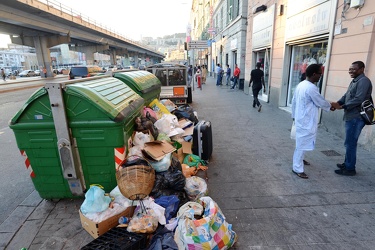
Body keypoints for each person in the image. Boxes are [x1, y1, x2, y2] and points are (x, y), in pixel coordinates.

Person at [330, 61, 373, 176]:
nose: (351, 71)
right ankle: (347, 163)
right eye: (350, 69)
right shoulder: (355, 80)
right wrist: (338, 103)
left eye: (353, 69)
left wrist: (343, 106)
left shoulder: (364, 81)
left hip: (356, 117)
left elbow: (359, 99)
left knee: (350, 143)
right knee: (349, 142)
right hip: (351, 116)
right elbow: (346, 95)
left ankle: (350, 168)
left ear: (362, 69)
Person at [291, 64, 332, 179]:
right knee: (301, 144)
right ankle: (297, 168)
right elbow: (321, 102)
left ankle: (300, 160)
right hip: (305, 121)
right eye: (320, 73)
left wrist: (294, 116)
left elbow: (293, 101)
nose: (321, 76)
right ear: (314, 74)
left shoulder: (301, 84)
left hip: (301, 119)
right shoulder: (311, 88)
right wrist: (331, 106)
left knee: (302, 142)